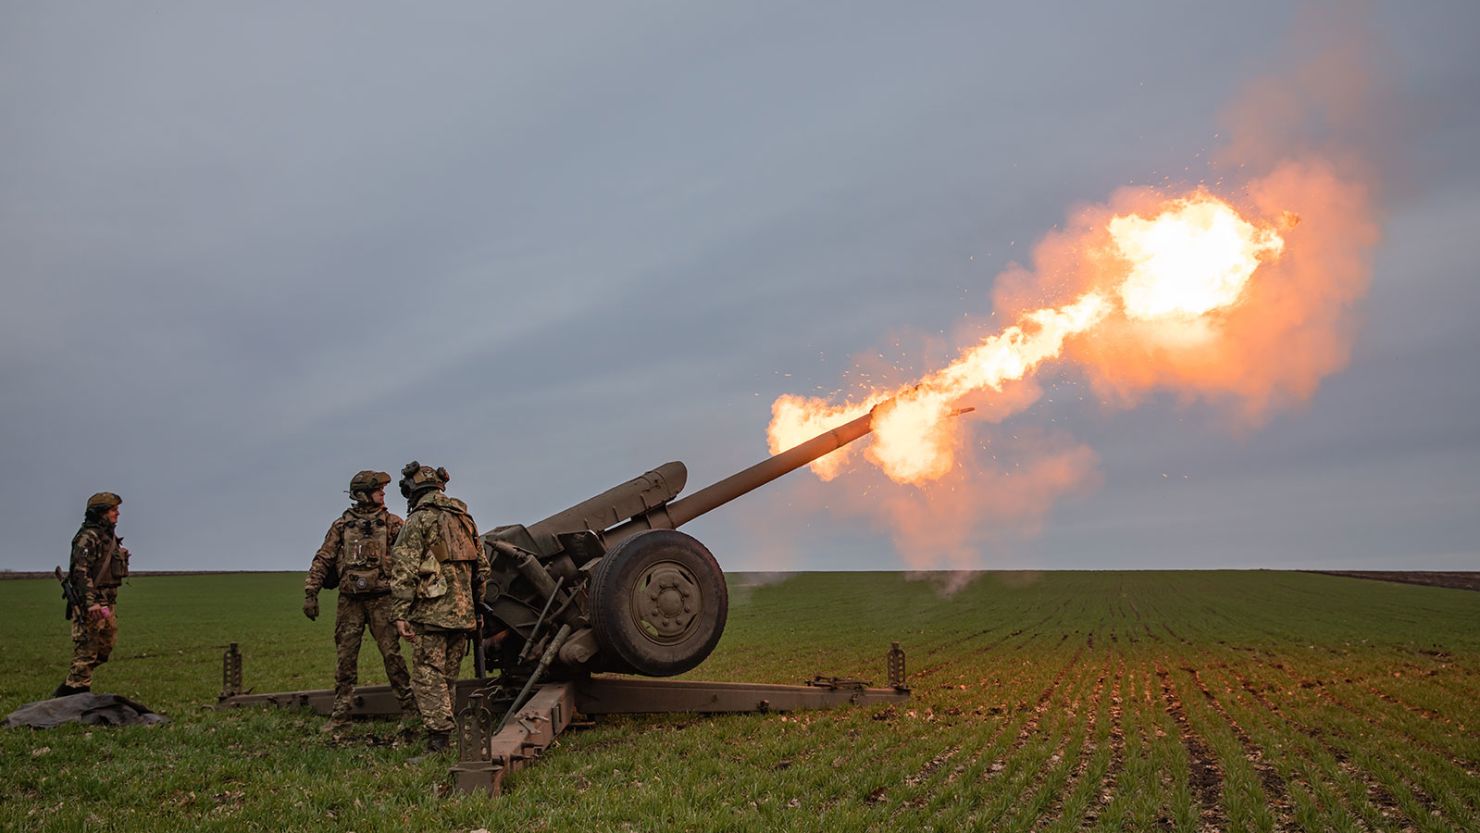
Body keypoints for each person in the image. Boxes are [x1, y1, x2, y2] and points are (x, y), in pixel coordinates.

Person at [304, 470, 417, 732]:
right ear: (362, 494)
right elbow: (323, 559)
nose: (383, 493)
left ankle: (409, 709)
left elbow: (409, 558)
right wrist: (311, 592)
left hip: (382, 601)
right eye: (378, 489)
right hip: (350, 602)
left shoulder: (392, 523)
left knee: (392, 656)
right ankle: (341, 715)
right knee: (345, 659)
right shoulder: (342, 526)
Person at [389, 461, 490, 752]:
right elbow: (482, 568)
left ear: (412, 491)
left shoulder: (419, 521)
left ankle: (439, 741)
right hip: (463, 614)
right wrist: (476, 606)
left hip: (431, 615)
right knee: (448, 675)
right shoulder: (464, 519)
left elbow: (404, 570)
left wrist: (400, 614)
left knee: (427, 674)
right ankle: (448, 733)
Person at [54, 492, 130, 697]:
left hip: (107, 603)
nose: (118, 513)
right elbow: (81, 572)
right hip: (93, 606)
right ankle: (76, 694)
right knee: (86, 651)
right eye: (113, 510)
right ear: (101, 513)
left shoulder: (107, 537)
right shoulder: (87, 537)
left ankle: (71, 686)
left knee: (104, 648)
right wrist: (90, 603)